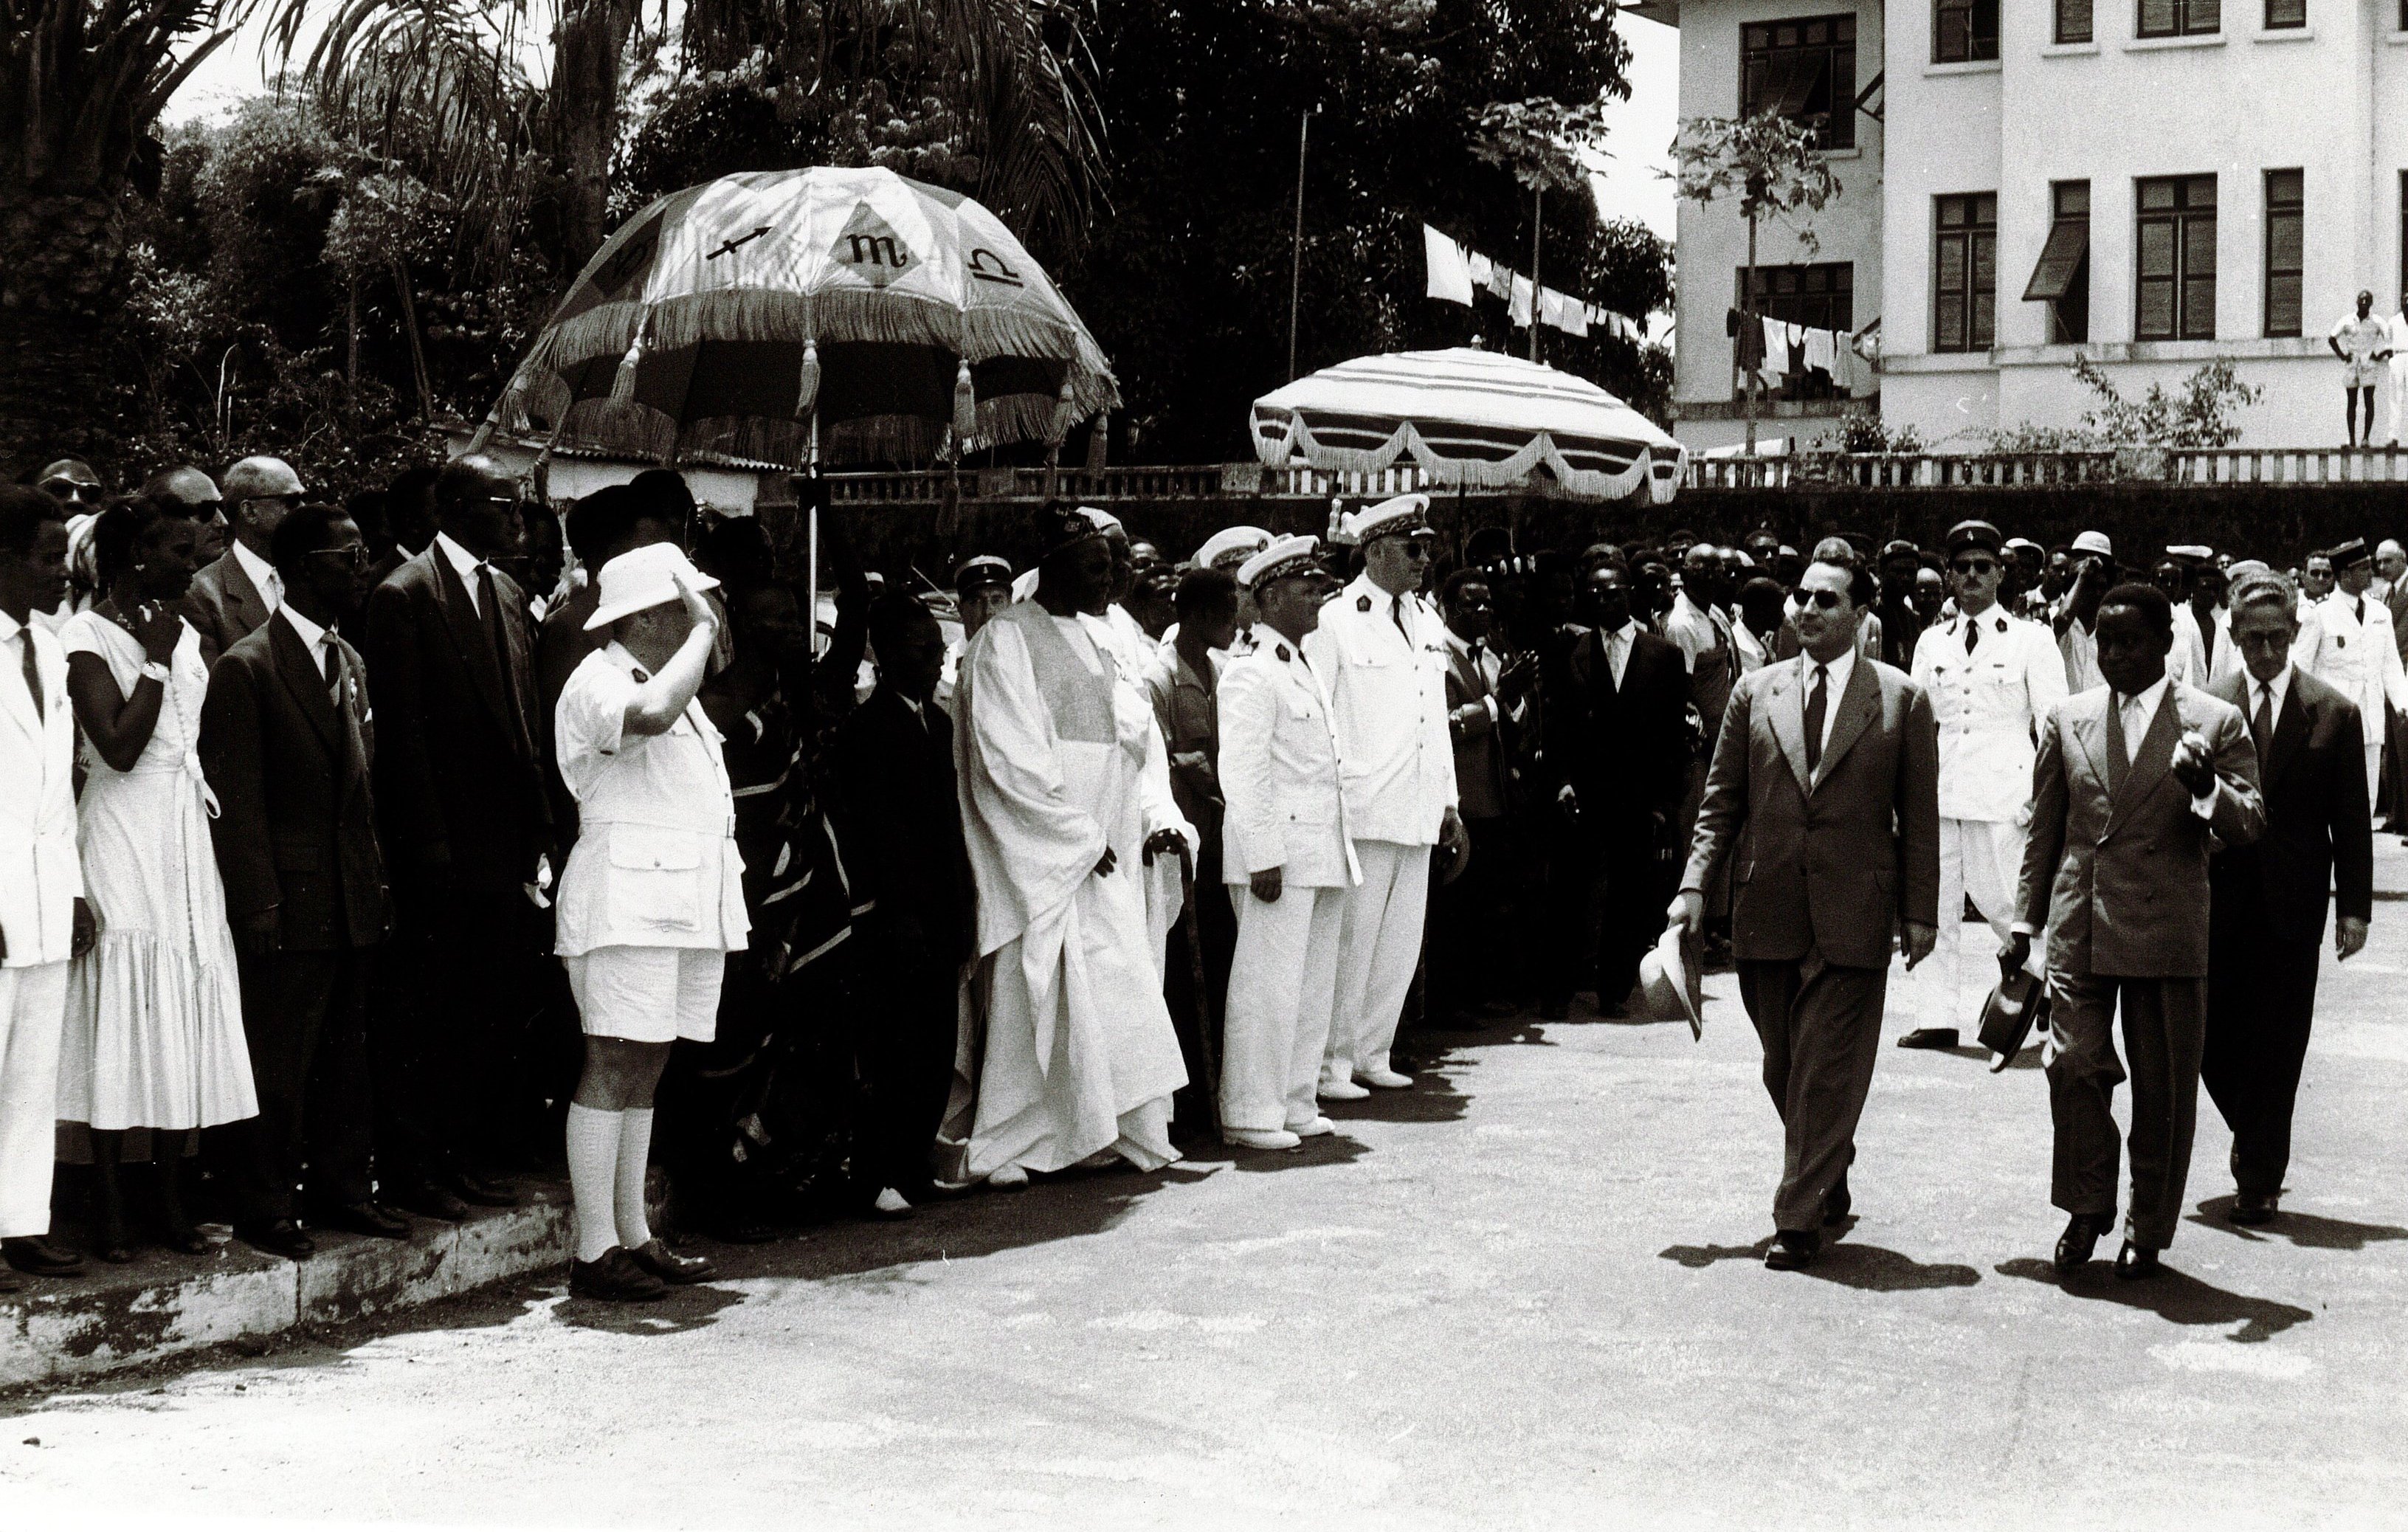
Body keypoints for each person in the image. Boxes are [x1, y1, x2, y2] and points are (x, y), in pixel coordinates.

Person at [1672, 554, 1940, 1272]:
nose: (1808, 608)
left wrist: (1921, 910)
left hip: (1855, 906)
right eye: (1801, 596)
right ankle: (1830, 1160)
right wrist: (1694, 886)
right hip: (1768, 903)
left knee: (1823, 1064)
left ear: (1859, 613)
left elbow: (1918, 814)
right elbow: (1720, 801)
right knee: (1782, 1066)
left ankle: (1795, 1216)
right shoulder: (1752, 693)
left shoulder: (1900, 698)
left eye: (1826, 599)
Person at [2009, 582, 2264, 1281]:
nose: (2115, 655)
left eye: (2131, 641)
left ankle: (2146, 1226)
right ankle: (2085, 1203)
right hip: (2080, 921)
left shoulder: (2214, 722)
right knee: (2072, 1065)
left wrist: (2206, 788)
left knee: (2163, 1086)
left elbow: (2249, 823)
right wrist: (2023, 920)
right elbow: (2045, 828)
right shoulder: (2067, 717)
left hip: (2164, 922)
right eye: (2103, 641)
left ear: (2163, 645)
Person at [948, 504, 1193, 1185]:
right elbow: (1007, 759)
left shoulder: (1098, 639)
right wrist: (1075, 838)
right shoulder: (1004, 640)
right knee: (1040, 994)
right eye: (1095, 565)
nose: (1110, 577)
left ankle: (1106, 1133)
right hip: (1048, 853)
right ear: (1052, 566)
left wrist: (1131, 822)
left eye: (1113, 564)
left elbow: (1130, 744)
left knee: (1115, 986)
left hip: (1104, 841)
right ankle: (1016, 1142)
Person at [199, 504, 401, 1258]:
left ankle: (347, 1192)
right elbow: (239, 803)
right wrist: (258, 902)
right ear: (300, 567)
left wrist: (374, 885)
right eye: (346, 555)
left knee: (348, 1053)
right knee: (279, 1060)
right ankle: (266, 1205)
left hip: (349, 893)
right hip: (288, 898)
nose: (360, 565)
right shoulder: (247, 667)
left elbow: (364, 789)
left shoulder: (348, 660)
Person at [58, 497, 257, 1260]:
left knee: (184, 1007)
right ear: (135, 555)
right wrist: (149, 655)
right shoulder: (86, 636)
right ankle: (109, 1207)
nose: (192, 560)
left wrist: (168, 646)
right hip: (121, 832)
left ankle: (167, 1201)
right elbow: (116, 748)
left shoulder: (185, 629)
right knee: (123, 1010)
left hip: (180, 832)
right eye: (177, 549)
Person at [552, 542, 743, 1301]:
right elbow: (651, 717)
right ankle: (593, 1250)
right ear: (654, 616)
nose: (708, 617)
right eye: (692, 605)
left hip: (677, 904)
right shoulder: (598, 680)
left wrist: (698, 639)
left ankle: (632, 1235)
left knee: (647, 1067)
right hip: (625, 905)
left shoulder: (667, 679)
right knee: (611, 1065)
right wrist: (701, 634)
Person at [364, 454, 553, 1212]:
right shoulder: (403, 596)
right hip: (440, 845)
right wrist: (430, 843)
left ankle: (460, 1151)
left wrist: (537, 828)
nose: (517, 517)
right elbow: (404, 734)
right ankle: (416, 1167)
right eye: (503, 504)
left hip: (503, 844)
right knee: (428, 1008)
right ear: (457, 507)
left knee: (484, 1007)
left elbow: (523, 719)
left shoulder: (505, 593)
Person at [2200, 569, 2370, 1225]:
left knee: (2279, 1039)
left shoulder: (2333, 712)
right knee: (2212, 1037)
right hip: (2218, 896)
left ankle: (2260, 1173)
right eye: (2251, 640)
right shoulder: (2204, 707)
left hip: (2294, 904)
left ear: (2296, 634)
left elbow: (2350, 820)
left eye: (2276, 639)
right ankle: (2255, 1129)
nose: (2265, 653)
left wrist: (2353, 908)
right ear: (2234, 637)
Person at [1305, 494, 1466, 1096]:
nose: (1425, 558)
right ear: (1373, 552)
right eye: (1412, 547)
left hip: (1418, 805)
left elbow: (1435, 714)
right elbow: (1321, 719)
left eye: (1426, 547)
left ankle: (1374, 1050)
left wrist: (1448, 802)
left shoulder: (1425, 619)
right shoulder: (1334, 620)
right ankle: (1330, 1063)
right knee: (1352, 944)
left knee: (1399, 943)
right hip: (1365, 807)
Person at [832, 594, 977, 1216]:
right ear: (886, 656)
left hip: (941, 908)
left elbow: (948, 824)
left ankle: (913, 1164)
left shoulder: (937, 722)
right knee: (892, 1049)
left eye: (939, 651)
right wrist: (901, 914)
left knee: (934, 1047)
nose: (933, 661)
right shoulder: (866, 730)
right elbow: (878, 834)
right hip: (898, 916)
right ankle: (877, 1172)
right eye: (921, 651)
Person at [1900, 520, 2069, 1050]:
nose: (1971, 576)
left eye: (1982, 567)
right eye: (1962, 568)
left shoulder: (2030, 638)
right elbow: (1915, 722)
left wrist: (2044, 798)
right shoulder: (1931, 641)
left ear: (2000, 574)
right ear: (1948, 576)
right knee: (1935, 904)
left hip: (2004, 791)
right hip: (1941, 787)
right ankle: (1936, 1015)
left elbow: (2053, 724)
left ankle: (2053, 990)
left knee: (2005, 905)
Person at [1216, 536, 1356, 1149]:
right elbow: (1243, 771)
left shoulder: (1298, 663)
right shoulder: (1252, 671)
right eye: (1306, 591)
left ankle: (1294, 1100)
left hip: (1319, 850)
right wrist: (1263, 855)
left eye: (1320, 588)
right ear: (1269, 598)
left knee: (1308, 985)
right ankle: (1250, 1112)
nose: (1318, 599)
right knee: (1267, 990)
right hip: (1278, 856)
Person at [0, 486, 94, 1286]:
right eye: (46, 557)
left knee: (33, 1070)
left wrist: (72, 890)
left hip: (42, 891)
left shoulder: (50, 649)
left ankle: (21, 1220)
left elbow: (58, 789)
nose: (62, 572)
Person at [1544, 562, 1688, 1020]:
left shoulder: (1662, 655)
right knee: (1569, 893)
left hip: (1638, 797)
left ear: (1628, 596)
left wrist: (1666, 802)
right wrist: (1563, 780)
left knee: (1630, 894)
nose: (1603, 601)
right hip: (1584, 795)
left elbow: (1672, 735)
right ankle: (1558, 991)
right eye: (1595, 594)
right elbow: (1559, 725)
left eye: (1612, 593)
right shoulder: (1572, 651)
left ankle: (1614, 990)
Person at [1145, 566, 1238, 1136]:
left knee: (1223, 966)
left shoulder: (1225, 672)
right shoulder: (1157, 679)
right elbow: (1163, 763)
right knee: (1182, 975)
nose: (1236, 624)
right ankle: (1185, 1105)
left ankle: (1215, 1091)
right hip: (1184, 853)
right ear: (1199, 616)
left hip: (1225, 848)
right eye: (1228, 615)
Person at [1432, 567, 1531, 1025]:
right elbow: (1446, 725)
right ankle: (1447, 1002)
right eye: (1472, 604)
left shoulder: (1491, 657)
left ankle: (1476, 992)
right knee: (1454, 908)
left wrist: (1515, 697)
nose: (1484, 611)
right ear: (1449, 608)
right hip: (1460, 801)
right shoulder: (1440, 657)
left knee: (1484, 905)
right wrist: (1495, 703)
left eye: (1488, 602)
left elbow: (1509, 721)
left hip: (1495, 796)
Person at [2296, 538, 2408, 809]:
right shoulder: (2320, 615)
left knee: (2366, 798)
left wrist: (2403, 704)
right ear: (2345, 575)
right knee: (2333, 797)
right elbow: (2301, 668)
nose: (2372, 573)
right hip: (2331, 721)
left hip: (2370, 719)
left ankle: (2362, 852)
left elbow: (2390, 664)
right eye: (2364, 568)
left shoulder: (2379, 612)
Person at [181, 457, 306, 667]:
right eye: (291, 501)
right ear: (249, 511)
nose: (303, 509)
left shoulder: (308, 577)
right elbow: (212, 688)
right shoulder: (201, 595)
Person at [2166, 546, 2237, 689]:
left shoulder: (2223, 632)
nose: (2211, 594)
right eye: (2205, 588)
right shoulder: (2178, 620)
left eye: (2215, 589)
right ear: (2193, 589)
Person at [2329, 289, 2391, 447]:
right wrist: (2343, 355)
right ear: (2357, 303)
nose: (2363, 305)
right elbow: (2332, 338)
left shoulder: (2377, 321)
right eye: (2361, 302)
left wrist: (2378, 355)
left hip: (2368, 363)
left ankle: (2366, 438)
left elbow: (2389, 340)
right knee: (2352, 402)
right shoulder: (2348, 320)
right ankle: (2351, 439)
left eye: (2367, 303)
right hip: (2352, 363)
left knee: (2369, 400)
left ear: (2370, 304)